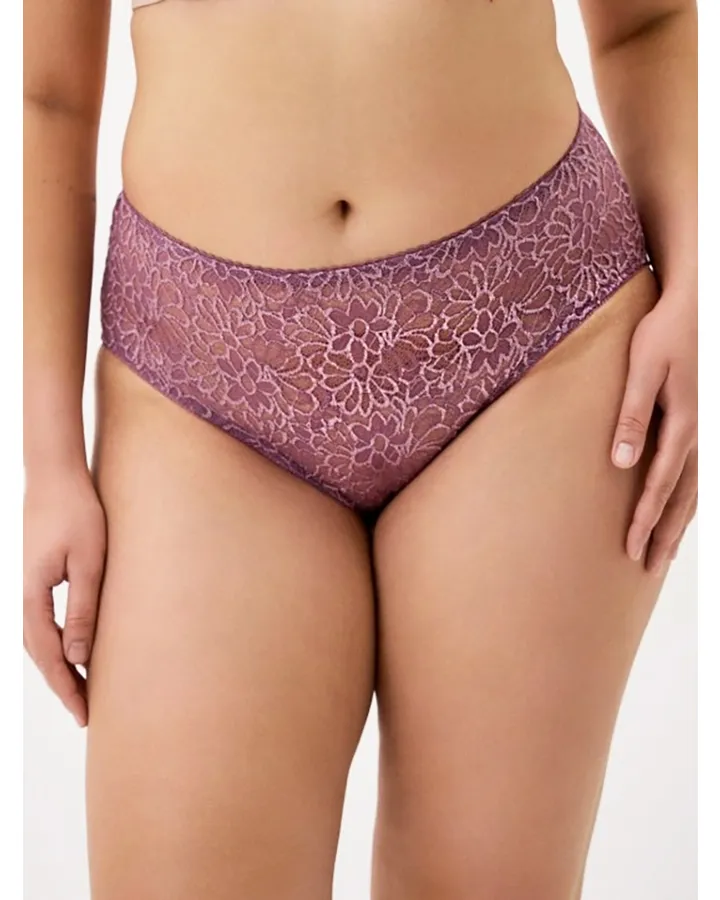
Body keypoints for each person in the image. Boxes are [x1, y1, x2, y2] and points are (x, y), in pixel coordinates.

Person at [23, 0, 697, 897]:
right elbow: (51, 97)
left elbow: (648, 23)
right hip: (201, 389)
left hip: (533, 335)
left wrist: (699, 284)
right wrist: (49, 460)